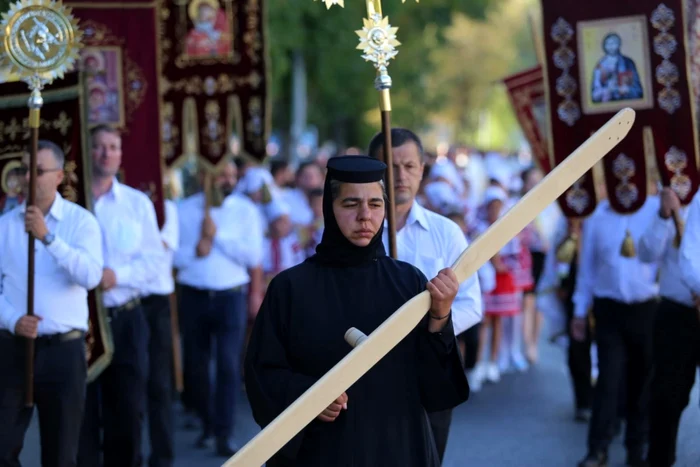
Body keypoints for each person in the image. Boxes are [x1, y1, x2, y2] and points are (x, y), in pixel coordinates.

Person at [244, 155, 470, 467]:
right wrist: (308, 396)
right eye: (351, 204)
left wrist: (440, 317)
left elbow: (436, 389)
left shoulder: (409, 282)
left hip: (398, 447)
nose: (365, 216)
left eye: (376, 205)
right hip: (323, 452)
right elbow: (262, 374)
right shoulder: (290, 288)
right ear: (329, 207)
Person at [367, 128, 481, 463]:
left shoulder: (445, 232)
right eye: (390, 165)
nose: (400, 176)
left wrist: (433, 328)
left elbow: (471, 304)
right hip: (370, 368)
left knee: (426, 455)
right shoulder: (358, 230)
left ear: (422, 170)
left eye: (409, 166)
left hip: (430, 366)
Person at [0, 140, 103, 467]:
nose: (29, 176)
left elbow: (90, 276)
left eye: (39, 170)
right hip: (14, 348)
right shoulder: (5, 225)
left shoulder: (80, 222)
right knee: (2, 448)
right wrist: (12, 318)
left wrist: (48, 237)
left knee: (61, 454)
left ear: (58, 176)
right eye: (24, 169)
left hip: (63, 353)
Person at [78, 125, 165, 467]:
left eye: (112, 146)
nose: (105, 153)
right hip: (82, 319)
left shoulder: (136, 203)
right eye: (99, 146)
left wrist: (119, 276)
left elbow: (154, 261)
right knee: (82, 412)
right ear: (88, 151)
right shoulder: (73, 199)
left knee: (128, 411)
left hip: (126, 316)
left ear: (120, 153)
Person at [174, 158, 263, 456]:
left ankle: (224, 433)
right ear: (204, 175)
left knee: (227, 365)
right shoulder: (183, 210)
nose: (227, 179)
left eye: (231, 174)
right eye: (220, 173)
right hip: (194, 295)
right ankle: (206, 422)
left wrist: (217, 237)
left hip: (230, 296)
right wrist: (198, 248)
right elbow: (173, 258)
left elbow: (253, 255)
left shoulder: (245, 211)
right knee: (196, 367)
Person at [573, 196, 660, 467]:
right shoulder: (597, 216)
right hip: (608, 309)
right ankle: (597, 449)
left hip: (646, 309)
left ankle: (637, 449)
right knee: (608, 382)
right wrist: (579, 310)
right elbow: (586, 268)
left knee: (642, 382)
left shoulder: (656, 209)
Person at [639, 187, 699, 466]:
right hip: (678, 314)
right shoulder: (679, 197)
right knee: (667, 397)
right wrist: (664, 215)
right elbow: (647, 253)